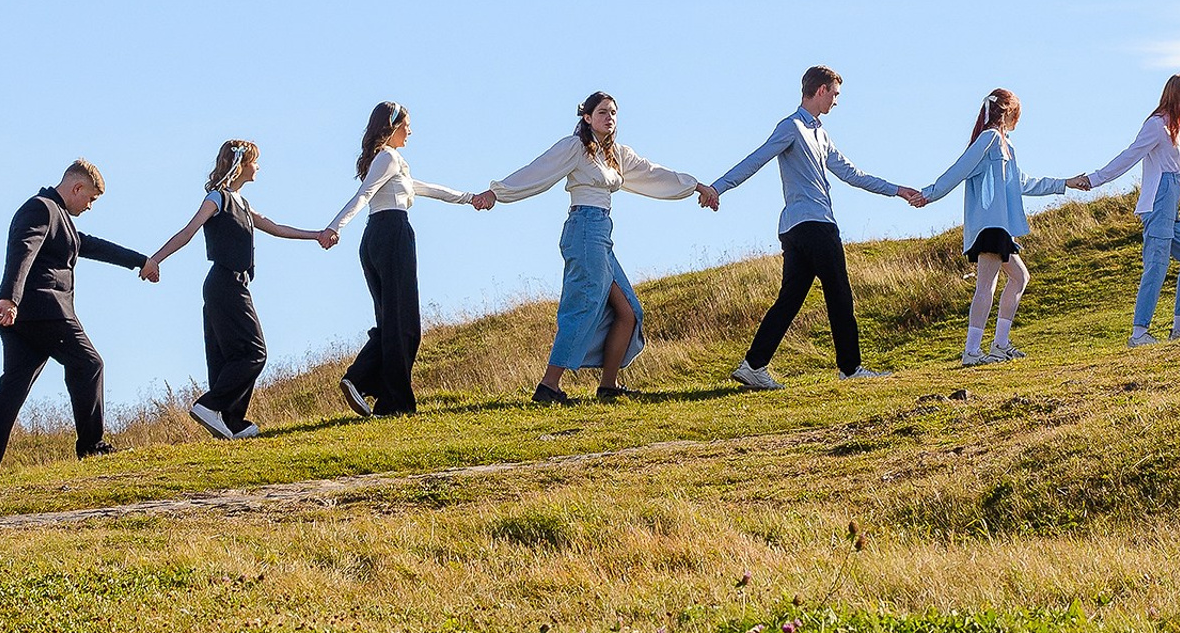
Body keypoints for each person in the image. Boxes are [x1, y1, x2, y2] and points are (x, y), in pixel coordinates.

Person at [473, 95, 714, 404]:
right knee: (583, 305)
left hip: (601, 231)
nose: (609, 117)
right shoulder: (575, 147)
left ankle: (608, 386)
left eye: (613, 113)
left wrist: (697, 186)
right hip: (584, 229)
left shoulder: (615, 154)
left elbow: (654, 173)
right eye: (602, 112)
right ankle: (549, 386)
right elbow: (538, 170)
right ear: (586, 117)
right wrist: (496, 193)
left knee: (628, 312)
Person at [708, 66, 924, 389]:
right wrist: (718, 188)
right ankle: (850, 369)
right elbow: (756, 159)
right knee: (839, 292)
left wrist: (897, 190)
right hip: (813, 226)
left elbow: (853, 174)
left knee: (791, 299)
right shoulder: (791, 127)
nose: (836, 102)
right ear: (821, 90)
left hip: (799, 229)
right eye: (835, 94)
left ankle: (754, 365)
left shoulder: (821, 135)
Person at [142, 141, 336, 438]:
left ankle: (231, 421)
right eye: (255, 162)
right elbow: (188, 231)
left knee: (230, 357)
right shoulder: (217, 198)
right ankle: (210, 405)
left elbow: (276, 227)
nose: (258, 167)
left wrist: (317, 235)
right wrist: (155, 259)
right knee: (255, 352)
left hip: (231, 284)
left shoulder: (242, 203)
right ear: (241, 164)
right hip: (225, 283)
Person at [0, 160, 156, 475]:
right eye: (91, 199)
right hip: (45, 310)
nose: (90, 206)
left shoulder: (57, 216)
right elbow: (23, 251)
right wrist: (9, 298)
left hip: (25, 316)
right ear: (77, 188)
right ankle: (92, 446)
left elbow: (90, 245)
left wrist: (139, 261)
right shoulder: (41, 209)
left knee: (14, 385)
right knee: (89, 364)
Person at [321, 106, 484, 419]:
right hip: (392, 234)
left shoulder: (390, 162)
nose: (410, 131)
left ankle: (373, 388)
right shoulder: (388, 157)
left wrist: (469, 197)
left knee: (395, 324)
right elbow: (363, 195)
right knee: (405, 326)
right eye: (406, 125)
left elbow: (426, 189)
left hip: (378, 238)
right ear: (391, 126)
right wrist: (335, 227)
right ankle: (382, 393)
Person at [1067, 75, 1180, 343]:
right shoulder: (1156, 126)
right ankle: (1139, 333)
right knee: (1156, 268)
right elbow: (1129, 156)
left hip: (1171, 210)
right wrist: (1094, 179)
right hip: (1158, 204)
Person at [912, 88, 1069, 363]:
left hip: (1000, 224)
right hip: (989, 224)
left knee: (1019, 277)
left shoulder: (1006, 145)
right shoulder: (989, 139)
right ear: (1009, 112)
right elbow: (959, 169)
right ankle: (972, 351)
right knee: (987, 284)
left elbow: (1022, 183)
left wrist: (1065, 184)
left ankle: (999, 344)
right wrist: (929, 193)